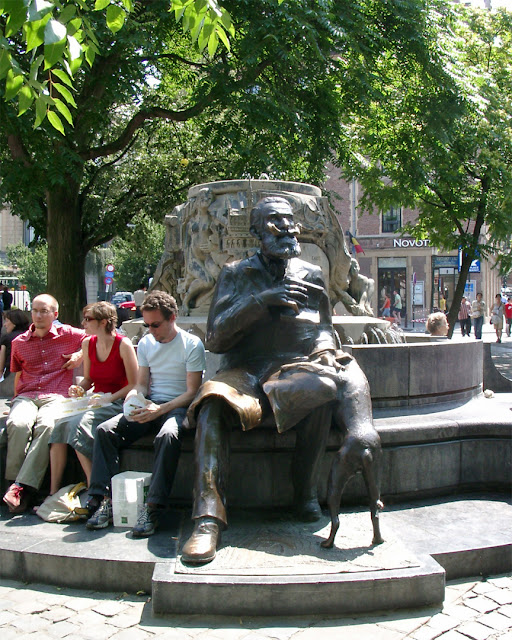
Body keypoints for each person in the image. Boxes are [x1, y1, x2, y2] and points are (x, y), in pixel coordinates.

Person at [181, 196, 375, 565]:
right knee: (210, 405)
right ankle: (207, 520)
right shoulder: (236, 274)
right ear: (255, 231)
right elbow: (216, 339)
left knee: (321, 390)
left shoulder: (312, 274)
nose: (286, 227)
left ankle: (304, 494)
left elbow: (323, 329)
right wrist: (261, 302)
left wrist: (323, 351)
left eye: (290, 221)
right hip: (245, 371)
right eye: (274, 221)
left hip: (292, 368)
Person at [85, 291, 206, 537]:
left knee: (168, 435)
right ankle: (103, 499)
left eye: (156, 325)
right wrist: (134, 398)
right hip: (149, 404)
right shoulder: (147, 344)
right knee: (105, 430)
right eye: (146, 325)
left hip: (176, 406)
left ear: (173, 318)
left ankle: (152, 507)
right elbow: (141, 383)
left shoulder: (191, 344)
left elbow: (192, 392)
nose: (151, 330)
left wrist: (159, 409)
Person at [2, 294, 84, 514]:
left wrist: (80, 353)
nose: (38, 315)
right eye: (35, 311)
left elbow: (98, 337)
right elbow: (18, 374)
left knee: (48, 425)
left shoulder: (70, 335)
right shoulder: (19, 343)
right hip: (26, 396)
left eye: (44, 311)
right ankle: (16, 483)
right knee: (17, 424)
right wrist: (15, 399)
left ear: (54, 314)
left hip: (56, 394)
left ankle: (20, 487)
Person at [48, 302, 138, 494]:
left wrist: (109, 398)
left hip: (118, 401)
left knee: (78, 424)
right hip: (96, 400)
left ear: (104, 322)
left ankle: (94, 488)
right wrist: (78, 388)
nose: (83, 323)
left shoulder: (123, 345)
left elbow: (134, 384)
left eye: (88, 319)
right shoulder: (88, 343)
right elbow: (88, 379)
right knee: (59, 424)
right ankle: (53, 491)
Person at [0, 309, 30, 378]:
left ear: (14, 323)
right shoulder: (31, 335)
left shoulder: (6, 338)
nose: (5, 324)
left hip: (10, 375)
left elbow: (1, 362)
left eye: (7, 321)